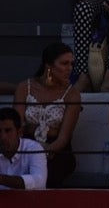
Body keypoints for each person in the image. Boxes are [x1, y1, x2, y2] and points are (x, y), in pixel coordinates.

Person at [12, 44, 79, 188]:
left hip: (55, 147)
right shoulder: (25, 87)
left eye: (71, 64)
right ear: (48, 66)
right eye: (64, 63)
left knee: (48, 174)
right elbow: (16, 125)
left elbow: (64, 137)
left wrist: (46, 151)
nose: (70, 68)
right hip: (26, 143)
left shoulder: (72, 94)